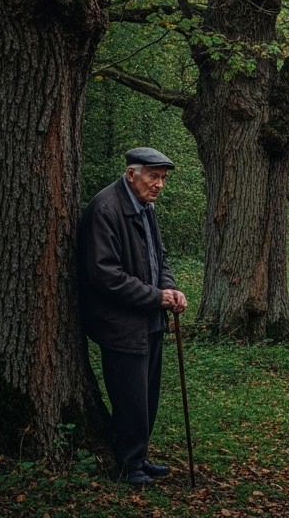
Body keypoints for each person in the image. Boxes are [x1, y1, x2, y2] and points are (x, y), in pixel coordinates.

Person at [77, 146, 188, 486]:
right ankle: (127, 465)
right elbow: (104, 274)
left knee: (147, 394)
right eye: (154, 177)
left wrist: (171, 290)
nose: (159, 185)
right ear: (131, 174)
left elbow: (160, 258)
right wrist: (157, 297)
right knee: (130, 396)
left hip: (149, 319)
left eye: (163, 178)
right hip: (120, 323)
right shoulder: (106, 208)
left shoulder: (145, 208)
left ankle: (139, 455)